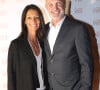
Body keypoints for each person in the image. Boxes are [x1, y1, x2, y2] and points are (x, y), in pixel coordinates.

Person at [44, 0, 94, 90]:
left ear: (64, 4)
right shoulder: (44, 29)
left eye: (58, 3)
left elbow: (86, 65)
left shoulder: (78, 29)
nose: (54, 8)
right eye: (50, 4)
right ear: (46, 7)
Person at [7, 4, 48, 90]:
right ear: (24, 21)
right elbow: (11, 77)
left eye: (36, 17)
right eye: (29, 18)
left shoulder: (44, 43)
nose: (33, 21)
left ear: (40, 20)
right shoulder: (16, 45)